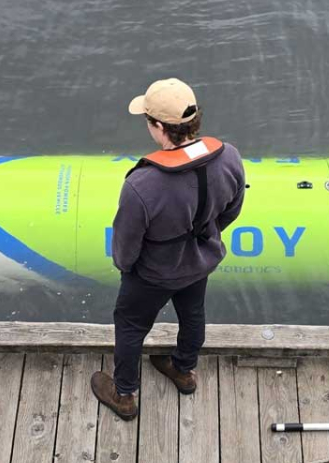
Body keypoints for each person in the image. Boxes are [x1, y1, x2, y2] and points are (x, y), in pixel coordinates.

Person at [91, 78, 246, 420]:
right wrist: (205, 237)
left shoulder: (141, 185)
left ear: (160, 127)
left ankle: (125, 394)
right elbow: (232, 209)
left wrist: (127, 268)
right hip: (200, 261)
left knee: (130, 325)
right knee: (193, 314)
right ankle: (183, 370)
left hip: (153, 273)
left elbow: (126, 248)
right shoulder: (230, 156)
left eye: (148, 121)